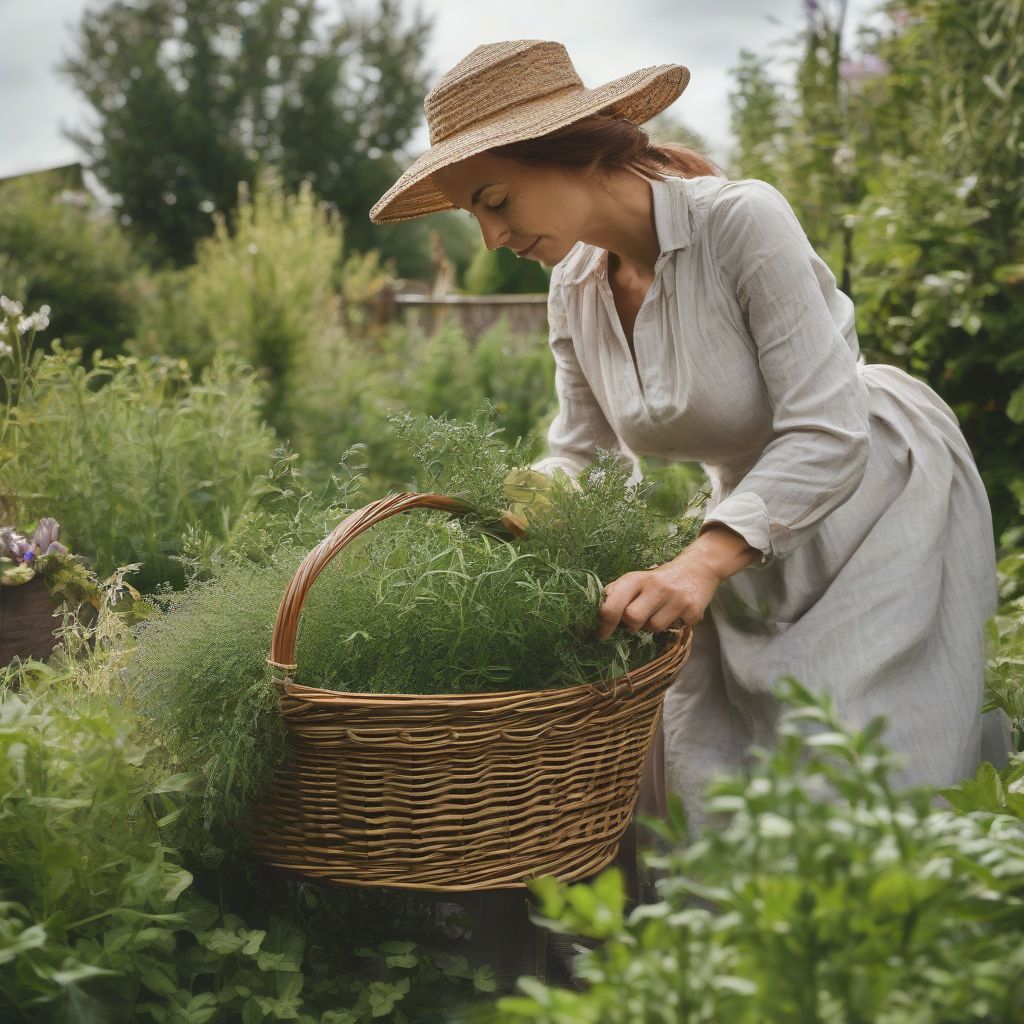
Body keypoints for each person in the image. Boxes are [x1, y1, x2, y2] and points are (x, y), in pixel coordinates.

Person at [370, 38, 1009, 846]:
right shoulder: (573, 286)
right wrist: (499, 518)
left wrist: (699, 562)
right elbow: (586, 456)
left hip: (873, 493)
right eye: (475, 215)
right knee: (716, 766)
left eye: (496, 200)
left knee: (858, 770)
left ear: (568, 150)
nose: (492, 237)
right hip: (753, 515)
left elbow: (826, 426)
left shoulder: (740, 221)